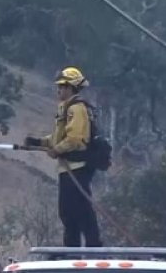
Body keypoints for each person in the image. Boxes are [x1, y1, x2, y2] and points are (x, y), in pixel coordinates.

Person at [22, 66, 104, 248]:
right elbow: (59, 137)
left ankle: (92, 248)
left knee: (78, 210)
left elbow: (74, 139)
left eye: (62, 86)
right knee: (69, 213)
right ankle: (73, 248)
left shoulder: (76, 109)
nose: (58, 90)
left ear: (70, 88)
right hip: (70, 168)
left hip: (77, 168)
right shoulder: (67, 109)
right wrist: (39, 142)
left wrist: (57, 150)